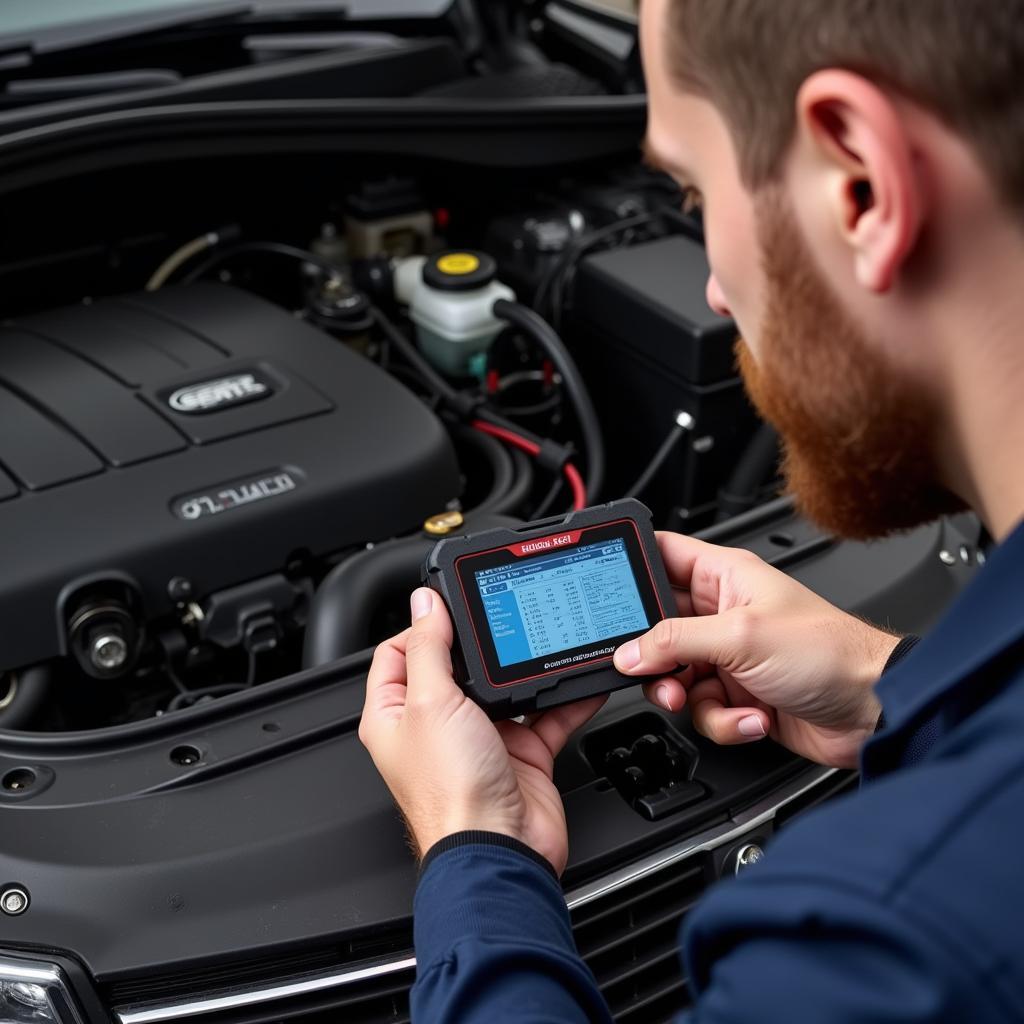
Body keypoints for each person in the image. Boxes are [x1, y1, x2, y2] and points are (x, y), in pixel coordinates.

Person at [358, 0, 1024, 1019]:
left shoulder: (894, 940)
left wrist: (476, 854)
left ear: (862, 184)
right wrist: (886, 683)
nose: (712, 290)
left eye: (692, 188)